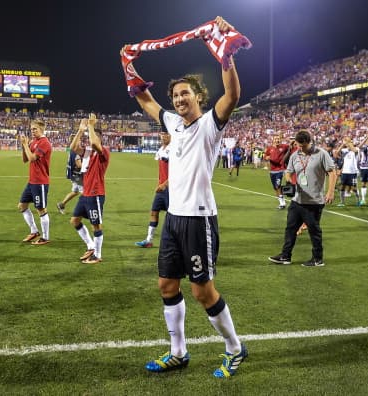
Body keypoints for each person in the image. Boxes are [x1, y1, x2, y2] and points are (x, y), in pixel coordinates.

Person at [123, 16, 248, 379]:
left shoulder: (210, 123)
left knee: (202, 292)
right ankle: (178, 352)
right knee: (166, 284)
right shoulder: (172, 124)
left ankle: (235, 349)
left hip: (199, 218)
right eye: (175, 95)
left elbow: (233, 95)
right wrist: (127, 64)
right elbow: (145, 100)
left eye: (185, 94)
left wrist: (226, 57)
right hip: (174, 219)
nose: (179, 99)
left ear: (198, 97)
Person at [268, 129, 337, 267]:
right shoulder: (295, 155)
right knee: (290, 228)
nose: (301, 148)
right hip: (297, 200)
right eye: (299, 145)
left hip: (314, 201)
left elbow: (332, 173)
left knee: (314, 231)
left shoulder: (321, 154)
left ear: (310, 142)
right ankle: (285, 256)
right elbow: (288, 171)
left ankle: (317, 259)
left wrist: (330, 192)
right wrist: (289, 181)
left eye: (303, 146)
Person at [69, 114, 110, 264]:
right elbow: (73, 148)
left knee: (96, 225)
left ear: (100, 139)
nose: (90, 139)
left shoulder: (103, 151)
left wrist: (91, 126)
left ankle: (97, 255)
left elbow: (94, 143)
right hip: (85, 193)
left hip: (96, 194)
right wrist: (80, 131)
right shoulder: (87, 153)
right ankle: (91, 246)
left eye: (93, 136)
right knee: (74, 221)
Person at [18, 120, 52, 245]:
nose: (32, 131)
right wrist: (24, 145)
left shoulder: (44, 143)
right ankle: (34, 231)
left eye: (35, 129)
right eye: (31, 129)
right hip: (32, 181)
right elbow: (25, 160)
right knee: (22, 206)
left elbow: (32, 158)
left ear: (42, 130)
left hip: (40, 181)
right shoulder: (33, 142)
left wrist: (26, 145)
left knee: (41, 209)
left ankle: (46, 237)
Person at [135, 130, 171, 248]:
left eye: (166, 134)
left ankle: (174, 242)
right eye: (162, 134)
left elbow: (178, 172)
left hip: (171, 189)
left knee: (173, 217)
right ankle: (149, 240)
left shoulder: (174, 150)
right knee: (154, 212)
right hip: (161, 189)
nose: (163, 137)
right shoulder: (161, 149)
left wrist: (165, 184)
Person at [56, 134, 83, 215]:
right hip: (77, 176)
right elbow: (79, 165)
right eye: (79, 140)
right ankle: (82, 211)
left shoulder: (72, 150)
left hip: (73, 175)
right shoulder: (76, 152)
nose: (80, 141)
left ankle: (61, 204)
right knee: (85, 193)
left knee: (75, 192)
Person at [264, 135, 290, 209]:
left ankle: (282, 203)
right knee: (275, 187)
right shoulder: (270, 148)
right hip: (272, 171)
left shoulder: (284, 146)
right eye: (276, 139)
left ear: (280, 139)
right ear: (273, 140)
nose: (277, 140)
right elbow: (265, 156)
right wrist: (267, 157)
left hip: (280, 170)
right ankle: (281, 202)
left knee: (277, 185)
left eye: (278, 139)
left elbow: (291, 147)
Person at [333, 136, 360, 207]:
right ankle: (342, 202)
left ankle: (358, 200)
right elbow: (336, 153)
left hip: (353, 172)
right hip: (345, 172)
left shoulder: (356, 149)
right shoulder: (345, 150)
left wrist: (348, 142)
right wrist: (342, 144)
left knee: (354, 188)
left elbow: (354, 150)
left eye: (348, 141)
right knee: (342, 187)